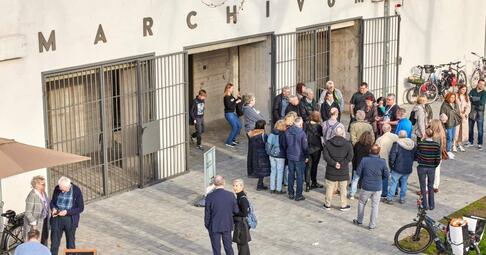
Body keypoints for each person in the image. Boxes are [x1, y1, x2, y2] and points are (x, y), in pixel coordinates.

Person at [352, 144, 389, 230]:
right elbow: (386, 175)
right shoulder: (382, 161)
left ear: (370, 151)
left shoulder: (365, 160)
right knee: (375, 206)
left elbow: (358, 172)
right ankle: (372, 225)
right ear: (379, 152)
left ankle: (359, 220)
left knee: (361, 203)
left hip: (366, 186)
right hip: (377, 187)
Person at [205, 175, 239, 255]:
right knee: (228, 247)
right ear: (223, 182)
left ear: (214, 183)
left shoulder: (210, 197)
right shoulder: (230, 195)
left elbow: (207, 214)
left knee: (216, 249)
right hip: (227, 224)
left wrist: (208, 225)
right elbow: (236, 210)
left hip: (214, 226)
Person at [50, 176, 84, 255]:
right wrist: (53, 209)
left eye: (63, 189)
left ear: (68, 186)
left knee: (70, 244)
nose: (61, 191)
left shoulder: (76, 190)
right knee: (54, 243)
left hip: (70, 219)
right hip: (57, 218)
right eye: (60, 189)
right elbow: (52, 202)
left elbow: (81, 208)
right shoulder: (57, 188)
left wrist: (67, 212)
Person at [322, 126, 354, 211]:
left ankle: (327, 204)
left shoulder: (328, 143)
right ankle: (343, 205)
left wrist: (334, 163)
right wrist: (341, 164)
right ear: (343, 133)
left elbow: (325, 156)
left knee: (329, 188)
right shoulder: (348, 144)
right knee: (343, 189)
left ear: (334, 133)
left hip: (331, 169)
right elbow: (350, 156)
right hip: (343, 170)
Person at [385, 130, 416, 204]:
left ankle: (390, 198)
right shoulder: (412, 144)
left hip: (397, 167)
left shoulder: (396, 144)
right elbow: (415, 156)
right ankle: (402, 198)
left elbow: (392, 157)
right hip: (408, 167)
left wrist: (391, 165)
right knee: (404, 183)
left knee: (393, 183)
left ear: (399, 135)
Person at [415, 129, 442, 210]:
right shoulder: (436, 145)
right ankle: (431, 205)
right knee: (430, 186)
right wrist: (434, 165)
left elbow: (417, 155)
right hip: (431, 168)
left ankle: (425, 205)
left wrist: (420, 161)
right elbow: (438, 158)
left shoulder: (421, 144)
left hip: (422, 167)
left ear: (425, 135)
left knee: (423, 186)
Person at [283, 117, 309, 201]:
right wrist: (307, 156)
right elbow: (305, 147)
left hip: (290, 156)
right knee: (299, 176)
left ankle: (290, 193)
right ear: (301, 124)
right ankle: (298, 195)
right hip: (299, 157)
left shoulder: (287, 131)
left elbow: (284, 144)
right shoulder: (302, 133)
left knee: (290, 175)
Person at [23, 176, 49, 245]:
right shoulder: (32, 195)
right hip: (34, 224)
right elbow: (28, 213)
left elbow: (46, 205)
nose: (44, 185)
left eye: (44, 183)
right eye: (42, 184)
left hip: (44, 221)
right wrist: (34, 223)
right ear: (36, 185)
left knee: (44, 240)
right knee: (34, 244)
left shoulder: (43, 193)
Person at [375, 123, 398, 198]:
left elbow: (376, 151)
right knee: (395, 176)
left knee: (384, 177)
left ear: (382, 129)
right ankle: (395, 191)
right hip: (394, 159)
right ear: (390, 129)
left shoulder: (379, 139)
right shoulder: (395, 137)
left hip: (383, 160)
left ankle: (384, 192)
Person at [349, 131, 374, 199]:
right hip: (367, 166)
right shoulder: (371, 147)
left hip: (358, 165)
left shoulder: (357, 144)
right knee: (366, 181)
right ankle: (366, 196)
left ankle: (352, 194)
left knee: (355, 180)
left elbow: (354, 156)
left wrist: (354, 165)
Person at [247, 120, 270, 190]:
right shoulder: (263, 135)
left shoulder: (250, 133)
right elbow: (266, 144)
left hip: (253, 154)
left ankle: (261, 184)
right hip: (261, 155)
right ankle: (259, 185)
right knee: (261, 170)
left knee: (258, 169)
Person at [232, 179, 251, 255]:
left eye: (237, 186)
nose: (234, 187)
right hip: (240, 224)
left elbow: (245, 213)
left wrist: (234, 211)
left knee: (242, 246)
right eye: (233, 185)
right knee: (242, 246)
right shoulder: (239, 196)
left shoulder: (242, 199)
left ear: (242, 186)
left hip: (242, 225)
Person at [305, 111, 324, 191]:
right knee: (314, 166)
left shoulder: (306, 124)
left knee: (308, 167)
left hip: (308, 148)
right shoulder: (319, 126)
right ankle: (314, 182)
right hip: (316, 148)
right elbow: (322, 135)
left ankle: (307, 184)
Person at [267, 120, 287, 194]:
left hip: (272, 155)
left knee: (273, 171)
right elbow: (285, 146)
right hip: (280, 155)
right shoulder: (284, 134)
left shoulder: (272, 133)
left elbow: (268, 144)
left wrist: (269, 153)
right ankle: (278, 189)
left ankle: (272, 188)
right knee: (280, 172)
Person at [467, 79, 486, 150]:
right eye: (480, 84)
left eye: (483, 84)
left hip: (480, 113)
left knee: (480, 129)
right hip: (472, 111)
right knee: (470, 128)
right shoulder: (472, 90)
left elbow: (482, 102)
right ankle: (470, 142)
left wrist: (473, 99)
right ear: (477, 83)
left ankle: (479, 143)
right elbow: (469, 98)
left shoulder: (484, 93)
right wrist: (477, 99)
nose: (481, 85)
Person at [440, 92, 461, 156]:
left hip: (454, 123)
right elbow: (442, 114)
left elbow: (458, 112)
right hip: (448, 124)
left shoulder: (455, 104)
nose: (453, 99)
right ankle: (447, 150)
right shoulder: (444, 105)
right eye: (451, 97)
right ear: (448, 97)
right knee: (449, 137)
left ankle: (448, 149)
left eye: (454, 97)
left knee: (452, 137)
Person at [429, 119, 447, 193]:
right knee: (437, 171)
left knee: (429, 173)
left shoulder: (433, 136)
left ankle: (427, 188)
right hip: (439, 155)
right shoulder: (442, 133)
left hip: (432, 156)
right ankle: (436, 186)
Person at [223, 83, 242, 148]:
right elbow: (229, 107)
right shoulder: (226, 97)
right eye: (232, 88)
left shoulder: (231, 96)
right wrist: (236, 102)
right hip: (228, 114)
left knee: (239, 125)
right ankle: (228, 142)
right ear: (228, 89)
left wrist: (239, 97)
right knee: (235, 127)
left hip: (232, 113)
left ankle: (233, 139)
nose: (233, 89)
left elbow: (235, 101)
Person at [454, 85, 471, 152]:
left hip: (464, 116)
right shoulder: (456, 96)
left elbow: (468, 106)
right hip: (457, 115)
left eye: (465, 90)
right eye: (463, 89)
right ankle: (454, 144)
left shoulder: (466, 97)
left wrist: (465, 113)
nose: (464, 91)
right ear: (460, 89)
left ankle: (459, 144)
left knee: (462, 130)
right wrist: (459, 113)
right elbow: (454, 106)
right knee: (456, 130)